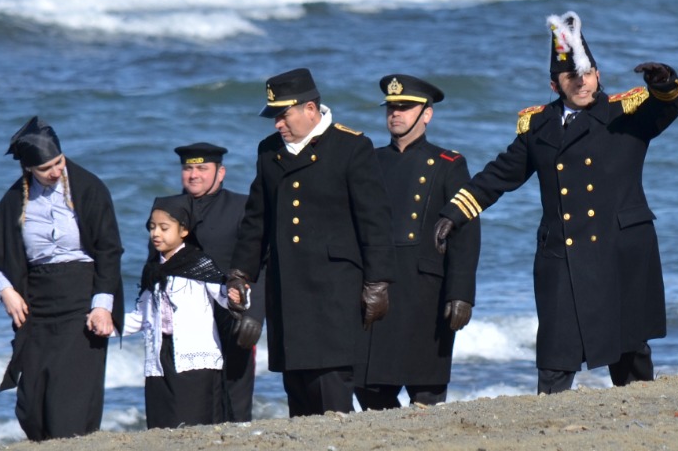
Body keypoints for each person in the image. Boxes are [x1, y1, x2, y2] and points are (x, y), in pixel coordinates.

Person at [433, 12, 678, 394]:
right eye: (571, 76)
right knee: (555, 352)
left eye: (587, 73)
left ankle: (642, 415)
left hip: (619, 249)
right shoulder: (539, 127)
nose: (581, 81)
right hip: (562, 256)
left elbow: (666, 108)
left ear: (598, 75)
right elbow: (499, 176)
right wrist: (454, 213)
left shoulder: (627, 114)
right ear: (555, 84)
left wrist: (665, 82)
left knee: (630, 350)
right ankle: (547, 420)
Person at [227, 68, 396, 416]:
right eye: (274, 116)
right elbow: (256, 218)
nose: (277, 124)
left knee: (332, 384)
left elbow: (374, 221)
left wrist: (378, 281)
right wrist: (241, 273)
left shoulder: (352, 147)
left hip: (335, 288)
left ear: (309, 109)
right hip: (287, 286)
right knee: (298, 385)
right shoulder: (268, 151)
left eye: (283, 114)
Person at [0, 117, 124, 441]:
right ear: (28, 169)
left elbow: (109, 250)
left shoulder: (89, 188)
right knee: (32, 403)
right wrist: (6, 289)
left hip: (82, 298)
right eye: (46, 168)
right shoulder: (16, 199)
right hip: (36, 302)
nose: (55, 171)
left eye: (58, 162)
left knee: (70, 399)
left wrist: (102, 306)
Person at [354, 75, 480, 410]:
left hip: (427, 291)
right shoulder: (369, 161)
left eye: (405, 108)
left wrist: (461, 294)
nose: (396, 114)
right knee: (369, 387)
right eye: (392, 108)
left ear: (427, 114)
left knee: (427, 392)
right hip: (378, 286)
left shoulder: (448, 164)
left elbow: (466, 232)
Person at [172, 142, 263, 421]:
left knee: (235, 398)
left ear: (220, 173)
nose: (194, 174)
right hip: (185, 322)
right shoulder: (169, 210)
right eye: (188, 168)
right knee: (190, 401)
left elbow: (263, 263)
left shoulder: (241, 206)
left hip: (232, 314)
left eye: (202, 168)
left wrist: (255, 313)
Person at [126, 195, 230, 429]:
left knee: (193, 425)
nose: (156, 233)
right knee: (161, 426)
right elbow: (141, 317)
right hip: (159, 357)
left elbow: (225, 299)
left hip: (196, 362)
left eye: (164, 228)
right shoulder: (152, 269)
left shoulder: (200, 264)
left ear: (184, 230)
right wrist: (105, 324)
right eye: (152, 227)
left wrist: (237, 294)